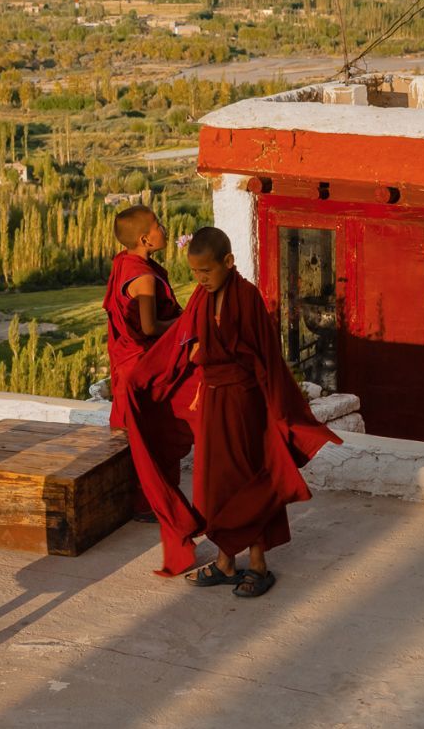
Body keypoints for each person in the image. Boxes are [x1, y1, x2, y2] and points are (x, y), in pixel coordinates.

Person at [122, 227, 341, 597]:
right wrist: (148, 377)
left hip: (245, 404)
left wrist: (278, 409)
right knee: (214, 483)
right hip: (213, 403)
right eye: (195, 273)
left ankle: (257, 565)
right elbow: (184, 344)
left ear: (228, 262)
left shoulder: (248, 297)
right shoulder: (202, 299)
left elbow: (267, 359)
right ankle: (225, 563)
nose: (201, 279)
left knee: (250, 480)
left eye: (206, 272)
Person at [102, 204, 185, 521]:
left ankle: (139, 500)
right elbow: (150, 328)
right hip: (144, 365)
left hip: (127, 361)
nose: (163, 228)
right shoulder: (144, 279)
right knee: (154, 433)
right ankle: (150, 503)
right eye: (157, 225)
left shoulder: (124, 263)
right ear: (145, 240)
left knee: (134, 432)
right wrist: (185, 322)